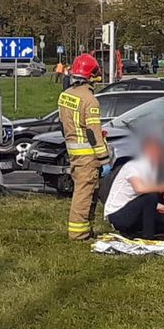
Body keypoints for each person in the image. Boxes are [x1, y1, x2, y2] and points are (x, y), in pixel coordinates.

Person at [104, 131, 164, 241]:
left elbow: (144, 201)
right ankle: (148, 237)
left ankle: (136, 233)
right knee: (150, 196)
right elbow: (140, 189)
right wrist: (163, 187)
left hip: (135, 211)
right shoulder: (133, 166)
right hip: (118, 215)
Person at [58, 53, 110, 241]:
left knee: (85, 190)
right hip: (88, 155)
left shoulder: (66, 95)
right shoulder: (90, 100)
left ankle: (86, 229)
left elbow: (65, 125)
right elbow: (93, 132)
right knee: (84, 192)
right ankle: (79, 233)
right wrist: (104, 159)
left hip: (73, 152)